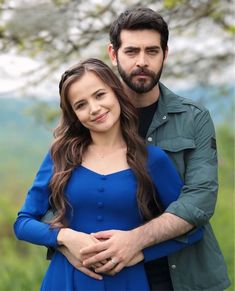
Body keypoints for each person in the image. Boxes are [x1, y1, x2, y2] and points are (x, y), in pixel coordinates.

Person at [65, 6, 230, 291]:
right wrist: (66, 242)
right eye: (131, 51)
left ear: (166, 54)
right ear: (113, 54)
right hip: (107, 277)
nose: (142, 61)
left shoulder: (194, 118)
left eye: (152, 51)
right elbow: (50, 200)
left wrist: (135, 241)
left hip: (183, 274)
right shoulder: (92, 116)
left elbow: (199, 201)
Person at [14, 58, 203, 291]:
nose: (94, 109)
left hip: (128, 282)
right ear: (74, 114)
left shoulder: (153, 160)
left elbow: (193, 229)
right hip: (64, 281)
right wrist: (65, 238)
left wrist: (140, 252)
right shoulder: (60, 156)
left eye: (100, 95)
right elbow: (23, 223)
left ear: (116, 94)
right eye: (81, 105)